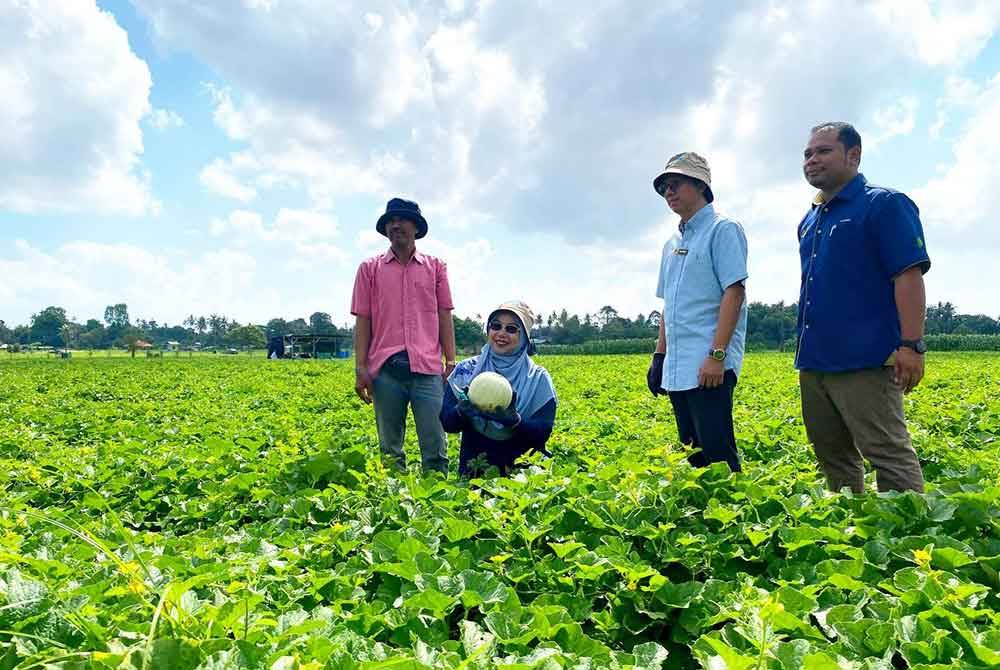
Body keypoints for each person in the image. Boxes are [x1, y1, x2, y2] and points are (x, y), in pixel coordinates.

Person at [796, 122, 930, 494]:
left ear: (853, 155)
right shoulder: (810, 220)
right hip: (815, 361)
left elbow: (908, 275)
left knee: (887, 452)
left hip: (866, 359)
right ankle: (850, 532)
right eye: (808, 153)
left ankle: (908, 537)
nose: (812, 160)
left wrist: (911, 344)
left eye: (823, 151)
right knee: (832, 456)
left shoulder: (883, 204)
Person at [647, 152, 748, 472]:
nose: (669, 193)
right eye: (664, 188)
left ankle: (731, 519)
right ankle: (703, 518)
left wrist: (717, 355)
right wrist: (659, 356)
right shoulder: (671, 243)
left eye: (676, 184)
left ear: (701, 185)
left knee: (718, 456)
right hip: (679, 366)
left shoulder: (723, 229)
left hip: (709, 364)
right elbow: (669, 305)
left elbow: (734, 292)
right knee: (693, 455)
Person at [351, 197, 457, 474]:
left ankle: (435, 505)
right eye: (390, 221)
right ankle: (394, 508)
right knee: (390, 451)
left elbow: (444, 314)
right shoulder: (369, 269)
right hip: (386, 371)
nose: (395, 225)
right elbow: (363, 319)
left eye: (402, 220)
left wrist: (451, 361)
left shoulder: (436, 267)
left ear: (416, 228)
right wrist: (360, 368)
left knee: (435, 448)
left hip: (427, 369)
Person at [440, 301, 557, 477]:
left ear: (524, 336)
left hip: (521, 479)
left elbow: (542, 432)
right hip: (473, 471)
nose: (501, 333)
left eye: (511, 329)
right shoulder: (466, 370)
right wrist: (460, 412)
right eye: (496, 326)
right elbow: (446, 422)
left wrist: (516, 421)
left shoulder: (538, 378)